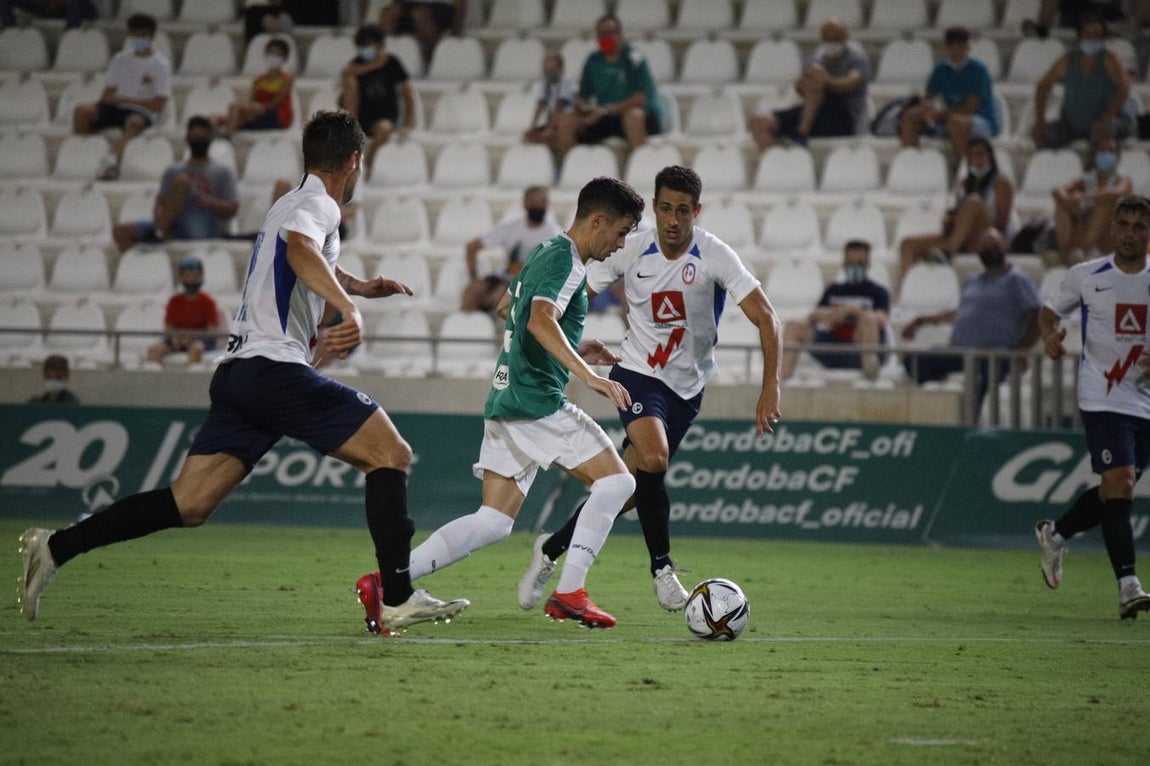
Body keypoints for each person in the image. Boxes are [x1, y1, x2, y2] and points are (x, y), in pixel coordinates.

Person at [18, 110, 468, 634]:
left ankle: (55, 546)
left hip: (237, 373)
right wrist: (350, 308)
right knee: (390, 454)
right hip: (270, 368)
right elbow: (301, 252)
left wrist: (360, 285)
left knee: (188, 504)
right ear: (353, 161)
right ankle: (396, 596)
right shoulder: (321, 204)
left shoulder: (289, 203)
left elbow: (303, 254)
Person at [353, 176, 645, 632]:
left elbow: (506, 307)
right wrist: (588, 376)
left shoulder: (545, 251)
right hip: (536, 403)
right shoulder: (568, 263)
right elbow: (537, 318)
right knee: (618, 484)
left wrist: (573, 345)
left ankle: (389, 581)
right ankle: (570, 592)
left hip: (506, 397)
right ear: (598, 220)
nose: (621, 243)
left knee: (492, 521)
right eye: (622, 231)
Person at [515, 165, 783, 612]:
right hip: (635, 371)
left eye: (682, 210)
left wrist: (770, 386)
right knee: (655, 458)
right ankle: (662, 570)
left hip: (687, 388)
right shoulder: (630, 249)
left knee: (628, 488)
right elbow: (573, 294)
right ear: (654, 206)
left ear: (696, 211)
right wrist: (566, 342)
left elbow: (767, 317)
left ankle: (550, 549)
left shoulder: (715, 255)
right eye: (664, 208)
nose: (672, 220)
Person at [1035, 194, 1150, 620]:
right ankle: (1128, 586)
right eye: (1124, 224)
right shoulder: (1087, 276)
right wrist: (1050, 336)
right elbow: (1048, 311)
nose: (1131, 232)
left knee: (1114, 492)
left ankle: (1056, 533)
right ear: (1112, 229)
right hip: (1102, 395)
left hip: (1145, 403)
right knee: (1120, 482)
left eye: (1140, 225)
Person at [901, 229, 1042, 414]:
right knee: (915, 361)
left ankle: (972, 421)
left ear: (1004, 247)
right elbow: (960, 313)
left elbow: (1037, 316)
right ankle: (935, 414)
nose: (990, 249)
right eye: (985, 246)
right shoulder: (972, 280)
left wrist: (1022, 351)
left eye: (994, 245)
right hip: (961, 351)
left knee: (986, 370)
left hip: (995, 353)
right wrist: (922, 320)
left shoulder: (1017, 279)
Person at [112, 116, 239, 253]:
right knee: (121, 232)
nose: (198, 140)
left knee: (182, 182)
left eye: (201, 136)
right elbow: (161, 202)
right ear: (187, 138)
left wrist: (210, 202)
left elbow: (232, 209)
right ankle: (148, 256)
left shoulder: (223, 171)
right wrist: (160, 216)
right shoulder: (173, 171)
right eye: (195, 136)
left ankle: (158, 233)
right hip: (174, 223)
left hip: (206, 224)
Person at [898, 137, 1015, 278]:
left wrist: (970, 219)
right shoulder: (964, 184)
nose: (976, 160)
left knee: (973, 203)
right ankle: (910, 288)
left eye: (980, 154)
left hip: (988, 240)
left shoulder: (1001, 183)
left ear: (989, 157)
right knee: (907, 245)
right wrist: (952, 221)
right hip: (961, 239)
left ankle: (948, 252)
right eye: (971, 155)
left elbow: (1001, 224)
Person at [747, 18, 870, 152]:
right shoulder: (814, 59)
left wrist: (824, 80)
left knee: (816, 75)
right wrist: (808, 80)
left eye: (836, 38)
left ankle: (801, 133)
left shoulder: (857, 60)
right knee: (759, 122)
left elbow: (851, 83)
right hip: (812, 113)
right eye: (828, 38)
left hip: (842, 117)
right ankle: (773, 163)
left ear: (845, 38)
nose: (832, 43)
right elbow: (801, 89)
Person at [72, 13, 171, 179]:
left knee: (134, 122)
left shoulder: (160, 65)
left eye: (143, 35)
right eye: (135, 34)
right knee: (82, 111)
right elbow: (107, 94)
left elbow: (159, 104)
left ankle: (112, 160)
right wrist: (116, 100)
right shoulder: (120, 59)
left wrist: (126, 99)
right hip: (114, 108)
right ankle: (85, 156)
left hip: (141, 112)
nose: (138, 39)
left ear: (152, 36)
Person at [555, 14, 663, 163]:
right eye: (601, 34)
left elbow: (640, 98)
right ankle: (569, 170)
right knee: (567, 119)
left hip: (641, 115)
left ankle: (639, 170)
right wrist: (584, 107)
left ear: (620, 35)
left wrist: (605, 110)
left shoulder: (634, 58)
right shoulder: (593, 60)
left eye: (609, 33)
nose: (605, 38)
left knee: (633, 116)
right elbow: (583, 96)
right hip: (604, 116)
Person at [782, 240, 890, 381]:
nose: (854, 267)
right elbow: (813, 316)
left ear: (868, 263)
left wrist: (853, 312)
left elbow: (881, 319)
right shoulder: (833, 290)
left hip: (859, 347)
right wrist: (831, 315)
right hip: (832, 344)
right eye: (850, 263)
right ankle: (780, 380)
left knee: (869, 319)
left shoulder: (878, 292)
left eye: (859, 263)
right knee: (794, 325)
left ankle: (870, 377)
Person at [1031, 13, 1133, 150]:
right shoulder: (1067, 60)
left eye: (1097, 34)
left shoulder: (1111, 60)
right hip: (1071, 125)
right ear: (1080, 37)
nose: (1092, 38)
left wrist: (1106, 118)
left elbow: (1123, 90)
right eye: (1088, 34)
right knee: (1042, 136)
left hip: (1110, 120)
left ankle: (1097, 170)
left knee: (1103, 136)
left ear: (1104, 38)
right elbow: (1043, 86)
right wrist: (1040, 120)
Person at [899, 26, 999, 161]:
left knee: (956, 122)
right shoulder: (940, 70)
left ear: (967, 48)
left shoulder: (979, 71)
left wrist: (938, 115)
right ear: (946, 48)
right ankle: (910, 162)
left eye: (960, 47)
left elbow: (969, 109)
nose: (955, 52)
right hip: (947, 118)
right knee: (910, 116)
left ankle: (963, 170)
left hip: (979, 120)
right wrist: (925, 107)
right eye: (952, 47)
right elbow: (929, 98)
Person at [462, 185, 561, 312]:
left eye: (542, 202)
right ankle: (471, 328)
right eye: (534, 202)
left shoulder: (554, 234)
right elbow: (472, 247)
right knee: (472, 292)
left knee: (500, 297)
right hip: (506, 276)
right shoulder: (512, 226)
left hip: (534, 283)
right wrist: (473, 278)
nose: (538, 206)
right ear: (525, 204)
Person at [340, 23, 415, 171]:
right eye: (363, 46)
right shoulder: (357, 63)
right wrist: (376, 64)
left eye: (369, 45)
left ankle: (367, 164)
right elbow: (347, 72)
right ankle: (349, 129)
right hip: (361, 113)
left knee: (384, 129)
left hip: (383, 115)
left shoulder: (392, 62)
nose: (365, 49)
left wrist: (407, 125)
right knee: (350, 82)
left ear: (379, 45)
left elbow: (408, 95)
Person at [1052, 137, 1133, 264]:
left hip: (1108, 232)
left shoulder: (1122, 179)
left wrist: (1086, 197)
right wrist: (1070, 200)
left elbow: (1116, 193)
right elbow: (1058, 190)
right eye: (1103, 151)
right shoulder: (1088, 178)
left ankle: (1085, 251)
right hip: (1085, 221)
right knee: (1062, 204)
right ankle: (1065, 251)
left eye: (1110, 151)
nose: (1106, 155)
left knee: (1105, 204)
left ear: (1117, 156)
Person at [145, 256, 221, 367]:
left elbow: (211, 331)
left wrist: (190, 339)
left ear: (201, 277)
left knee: (196, 348)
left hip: (201, 341)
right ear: (181, 278)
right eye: (187, 276)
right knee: (154, 350)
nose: (191, 280)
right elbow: (168, 328)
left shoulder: (208, 302)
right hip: (177, 339)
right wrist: (177, 339)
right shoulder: (174, 301)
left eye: (195, 276)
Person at [214, 37, 294, 133]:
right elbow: (252, 101)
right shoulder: (259, 80)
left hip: (278, 116)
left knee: (235, 107)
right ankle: (228, 136)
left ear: (285, 58)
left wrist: (257, 109)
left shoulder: (287, 79)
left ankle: (229, 137)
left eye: (277, 54)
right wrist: (250, 113)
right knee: (216, 118)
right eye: (271, 53)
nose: (273, 56)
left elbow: (275, 103)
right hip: (259, 114)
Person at [379, 0, 465, 68]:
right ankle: (382, 60)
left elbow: (460, 3)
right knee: (387, 15)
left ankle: (432, 60)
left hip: (440, 6)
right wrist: (396, 7)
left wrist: (456, 30)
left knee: (419, 14)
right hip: (409, 4)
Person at [523, 53, 576, 158]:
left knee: (550, 138)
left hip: (566, 122)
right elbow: (541, 104)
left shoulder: (567, 81)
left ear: (561, 69)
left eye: (551, 71)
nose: (548, 74)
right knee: (528, 136)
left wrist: (550, 128)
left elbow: (559, 106)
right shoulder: (545, 81)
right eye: (546, 71)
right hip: (552, 120)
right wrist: (532, 126)